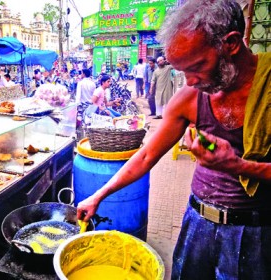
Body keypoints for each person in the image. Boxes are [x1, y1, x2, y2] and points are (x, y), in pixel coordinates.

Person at [77, 0, 271, 279]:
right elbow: (145, 156)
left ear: (230, 44)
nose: (190, 81)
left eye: (197, 66)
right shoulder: (189, 98)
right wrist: (98, 196)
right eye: (182, 71)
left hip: (257, 232)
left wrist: (239, 166)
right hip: (198, 224)